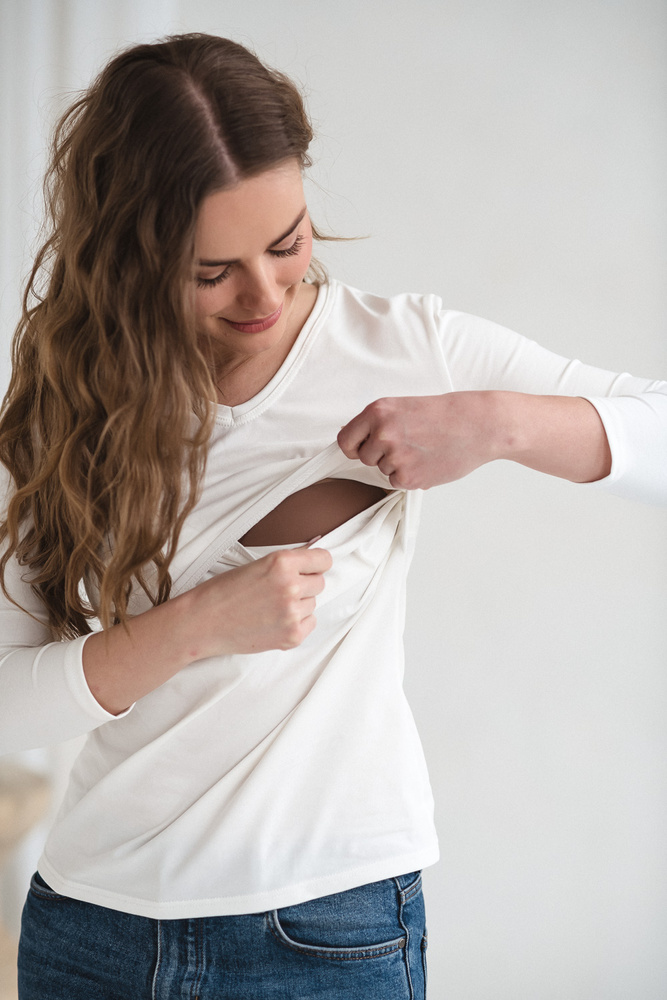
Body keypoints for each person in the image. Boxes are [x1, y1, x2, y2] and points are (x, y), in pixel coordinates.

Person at [0, 33, 665, 1000]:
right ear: (131, 255)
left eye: (287, 242)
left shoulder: (400, 349)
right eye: (210, 271)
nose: (264, 293)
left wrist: (495, 424)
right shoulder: (66, 405)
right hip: (91, 933)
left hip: (323, 933)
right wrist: (192, 628)